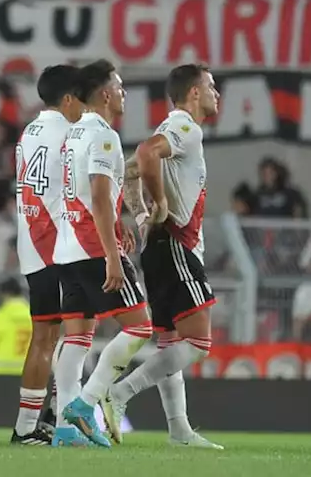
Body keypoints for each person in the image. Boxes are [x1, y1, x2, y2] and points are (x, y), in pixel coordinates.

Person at [100, 63, 223, 450]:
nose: (216, 94)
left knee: (171, 341)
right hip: (175, 243)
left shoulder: (173, 130)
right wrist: (163, 203)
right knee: (199, 341)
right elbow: (146, 153)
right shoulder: (186, 127)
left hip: (163, 244)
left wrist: (139, 214)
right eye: (211, 87)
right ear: (193, 93)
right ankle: (119, 394)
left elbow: (130, 171)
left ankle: (179, 430)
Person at [55, 59, 151, 449]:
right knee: (141, 327)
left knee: (77, 337)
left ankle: (64, 430)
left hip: (67, 248)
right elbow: (96, 195)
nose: (124, 92)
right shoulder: (104, 136)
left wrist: (116, 222)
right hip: (93, 248)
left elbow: (87, 195)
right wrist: (112, 255)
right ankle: (85, 403)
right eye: (121, 86)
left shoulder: (73, 134)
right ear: (106, 93)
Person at [11, 64, 85, 447]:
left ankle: (42, 419)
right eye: (81, 101)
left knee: (50, 336)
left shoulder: (29, 132)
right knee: (52, 336)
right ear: (69, 98)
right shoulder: (67, 133)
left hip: (31, 240)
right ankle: (30, 426)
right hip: (53, 244)